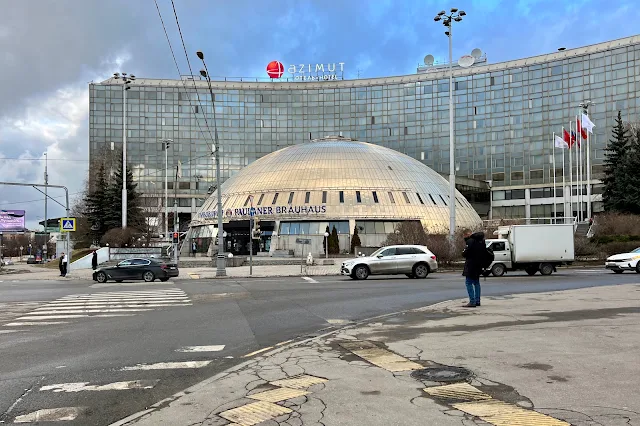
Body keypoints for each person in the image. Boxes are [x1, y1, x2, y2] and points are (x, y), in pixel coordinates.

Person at [462, 231, 486, 308]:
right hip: (479, 265)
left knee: (468, 282)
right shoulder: (482, 241)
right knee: (476, 283)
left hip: (471, 265)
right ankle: (477, 300)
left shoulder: (470, 241)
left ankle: (472, 301)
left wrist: (464, 252)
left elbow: (465, 253)